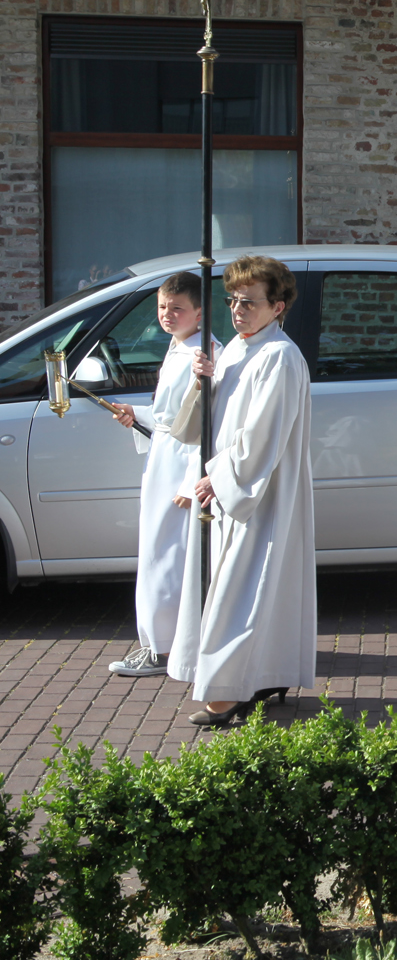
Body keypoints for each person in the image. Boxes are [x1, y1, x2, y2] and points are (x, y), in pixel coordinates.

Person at [170, 255, 315, 726]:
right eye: (232, 301)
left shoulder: (280, 356)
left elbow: (262, 435)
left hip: (259, 492)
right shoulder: (236, 348)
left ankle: (230, 691)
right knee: (234, 585)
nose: (237, 311)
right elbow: (199, 427)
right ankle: (264, 674)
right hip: (230, 489)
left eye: (249, 302)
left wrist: (222, 475)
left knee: (244, 586)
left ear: (278, 306)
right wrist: (202, 381)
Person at [106, 272, 218, 679]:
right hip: (165, 458)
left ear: (199, 311)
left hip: (182, 468)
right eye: (161, 308)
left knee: (171, 555)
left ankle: (163, 647)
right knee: (156, 550)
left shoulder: (204, 356)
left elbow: (207, 425)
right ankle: (156, 642)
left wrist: (192, 480)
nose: (167, 316)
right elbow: (174, 419)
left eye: (177, 308)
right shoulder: (177, 349)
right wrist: (139, 416)